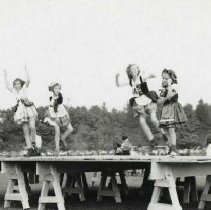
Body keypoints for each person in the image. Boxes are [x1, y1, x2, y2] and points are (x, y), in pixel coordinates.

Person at [115, 64, 167, 151]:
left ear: (138, 70)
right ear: (130, 72)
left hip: (148, 100)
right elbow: (118, 85)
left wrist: (151, 75)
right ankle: (152, 140)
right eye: (132, 69)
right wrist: (116, 77)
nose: (134, 70)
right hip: (139, 103)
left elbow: (152, 75)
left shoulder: (141, 77)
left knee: (153, 120)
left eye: (136, 68)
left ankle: (164, 134)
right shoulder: (131, 81)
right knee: (142, 121)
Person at [4, 66, 38, 156]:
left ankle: (34, 143)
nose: (16, 85)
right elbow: (7, 86)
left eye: (18, 83)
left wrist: (26, 70)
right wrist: (5, 76)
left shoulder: (24, 88)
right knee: (25, 130)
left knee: (32, 127)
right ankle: (29, 148)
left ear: (21, 84)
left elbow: (29, 80)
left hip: (28, 108)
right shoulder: (14, 91)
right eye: (15, 84)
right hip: (21, 111)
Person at [158, 69, 187, 156]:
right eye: (163, 78)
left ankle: (174, 149)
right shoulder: (163, 88)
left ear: (171, 78)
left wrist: (169, 84)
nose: (164, 80)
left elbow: (170, 96)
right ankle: (170, 149)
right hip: (165, 109)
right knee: (166, 130)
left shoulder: (174, 86)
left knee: (171, 128)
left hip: (172, 107)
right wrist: (164, 98)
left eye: (166, 78)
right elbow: (159, 101)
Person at [44, 82, 73, 155]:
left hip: (63, 114)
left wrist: (67, 111)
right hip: (55, 116)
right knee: (57, 132)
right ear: (53, 90)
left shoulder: (60, 96)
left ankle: (62, 138)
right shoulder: (51, 99)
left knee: (70, 129)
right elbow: (51, 110)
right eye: (55, 88)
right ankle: (57, 149)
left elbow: (62, 105)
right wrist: (54, 118)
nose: (57, 90)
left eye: (58, 88)